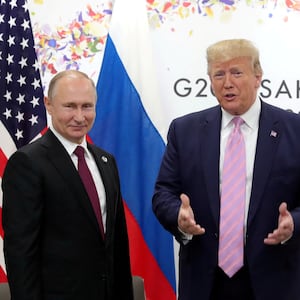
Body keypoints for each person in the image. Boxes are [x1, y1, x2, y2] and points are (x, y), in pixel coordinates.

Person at [152, 39, 300, 300]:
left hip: (274, 278)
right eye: (219, 74)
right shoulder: (184, 131)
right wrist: (179, 217)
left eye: (236, 72)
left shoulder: (294, 129)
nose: (227, 82)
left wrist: (294, 223)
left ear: (258, 77)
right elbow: (164, 193)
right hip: (205, 280)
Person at [2, 70, 134, 300]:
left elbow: (117, 246)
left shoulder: (106, 161)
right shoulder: (28, 163)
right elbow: (20, 253)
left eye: (87, 106)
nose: (80, 116)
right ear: (49, 105)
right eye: (70, 106)